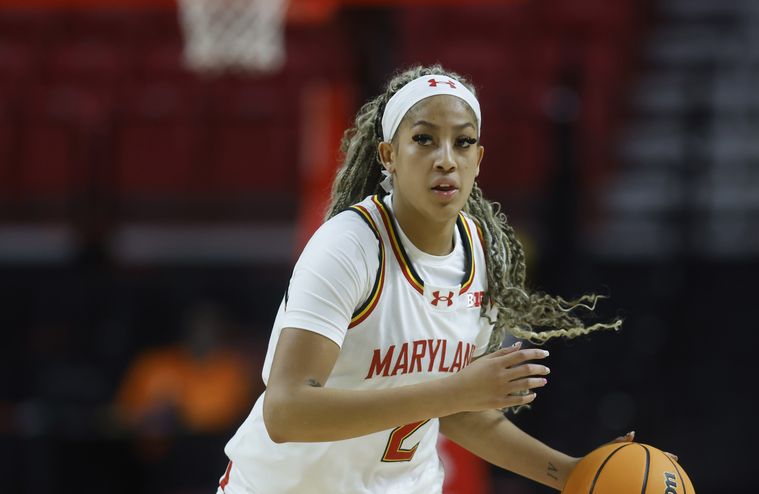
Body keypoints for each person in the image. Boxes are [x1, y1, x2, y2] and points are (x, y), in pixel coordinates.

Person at [217, 64, 623, 493]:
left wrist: (574, 474)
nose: (446, 159)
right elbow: (286, 412)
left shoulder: (485, 253)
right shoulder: (349, 245)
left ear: (478, 159)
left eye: (463, 143)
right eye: (424, 140)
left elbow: (461, 411)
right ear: (388, 155)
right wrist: (452, 392)